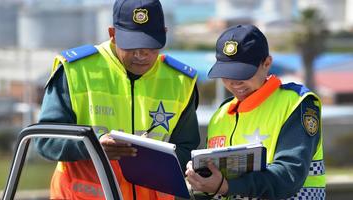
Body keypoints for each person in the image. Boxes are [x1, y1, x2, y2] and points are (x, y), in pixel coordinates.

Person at [35, 0, 200, 199]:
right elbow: (45, 141)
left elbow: (186, 148)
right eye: (132, 46)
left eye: (150, 47)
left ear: (164, 33)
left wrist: (156, 158)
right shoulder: (76, 70)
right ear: (112, 34)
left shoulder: (180, 80)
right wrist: (92, 147)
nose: (141, 55)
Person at [185, 24, 325, 199]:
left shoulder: (297, 103)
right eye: (226, 74)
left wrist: (226, 186)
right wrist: (200, 180)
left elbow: (290, 174)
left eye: (243, 73)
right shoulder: (220, 115)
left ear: (267, 63)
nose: (234, 82)